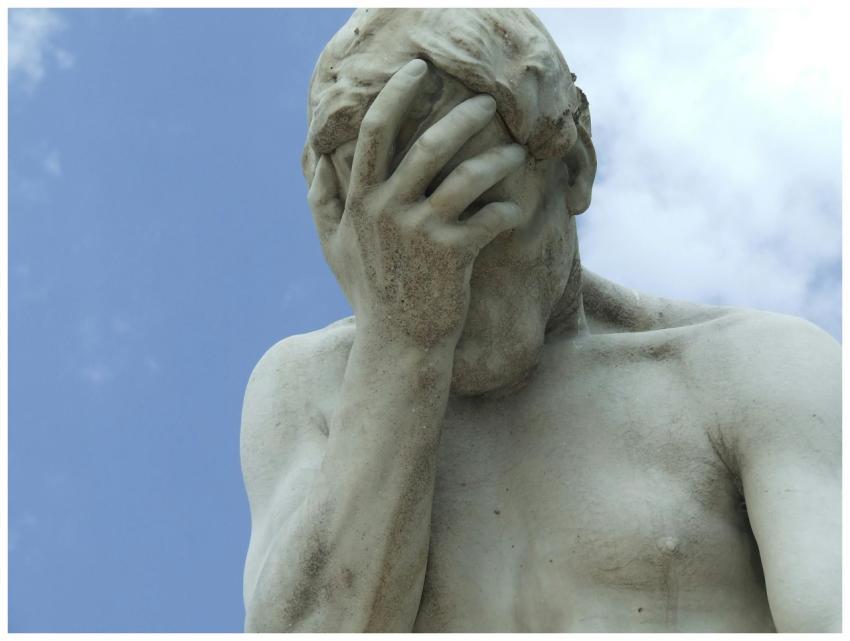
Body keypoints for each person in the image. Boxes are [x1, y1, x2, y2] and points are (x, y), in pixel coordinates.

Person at [240, 9, 840, 632]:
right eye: (398, 244)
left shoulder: (749, 371)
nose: (443, 280)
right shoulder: (310, 385)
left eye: (473, 214)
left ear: (574, 167)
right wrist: (402, 339)